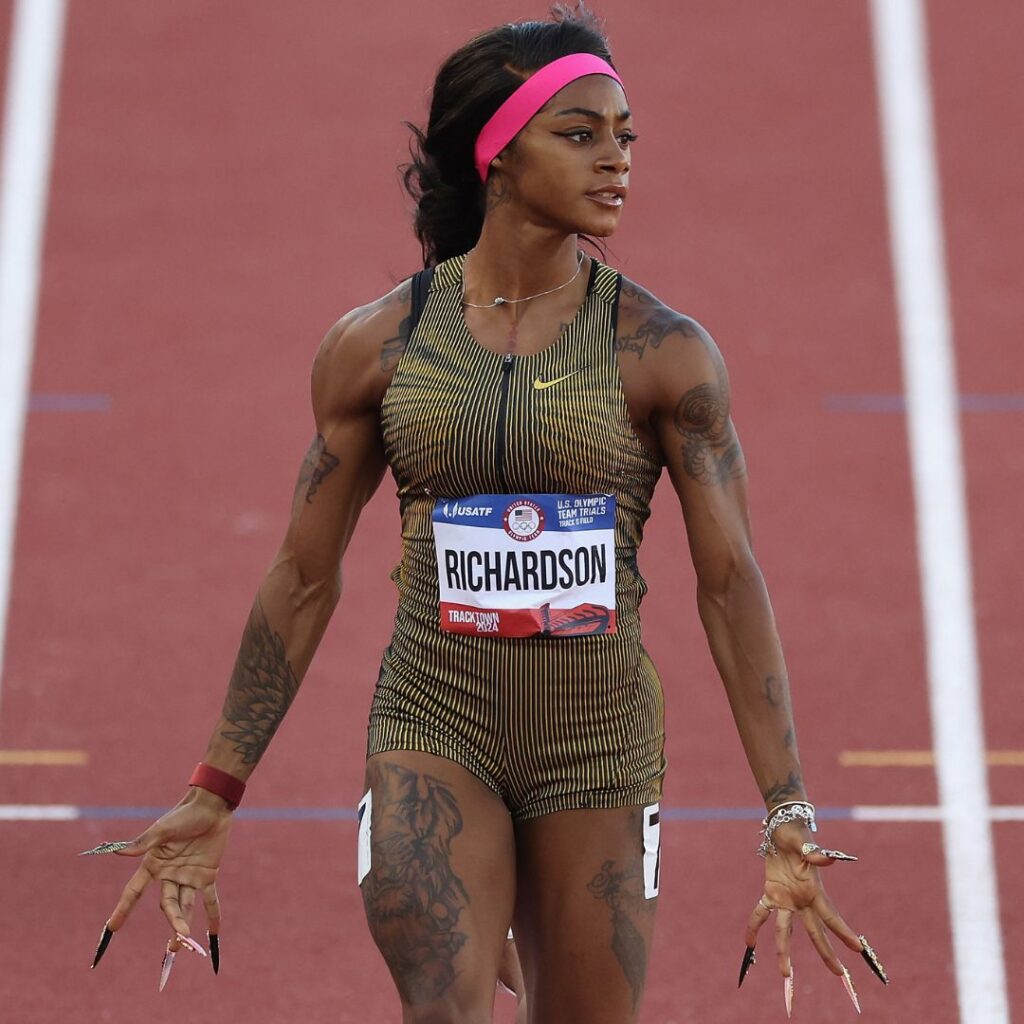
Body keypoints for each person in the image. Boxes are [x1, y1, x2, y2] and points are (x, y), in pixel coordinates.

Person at [85, 5, 887, 1022]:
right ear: (498, 155)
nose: (616, 161)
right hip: (434, 722)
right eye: (581, 134)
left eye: (625, 136)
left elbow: (728, 579)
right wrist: (217, 784)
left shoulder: (663, 354)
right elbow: (301, 574)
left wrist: (787, 804)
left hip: (595, 743)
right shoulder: (376, 349)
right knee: (446, 1003)